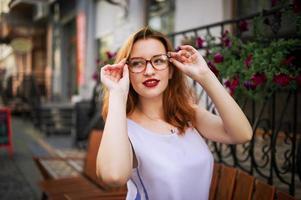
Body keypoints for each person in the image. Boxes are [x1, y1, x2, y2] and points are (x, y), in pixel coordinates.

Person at [96, 27, 252, 200]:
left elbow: (242, 134)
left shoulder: (187, 114)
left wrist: (205, 75)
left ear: (170, 70)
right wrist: (117, 94)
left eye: (159, 60)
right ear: (126, 72)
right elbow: (113, 176)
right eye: (137, 63)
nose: (149, 71)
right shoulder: (124, 128)